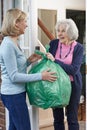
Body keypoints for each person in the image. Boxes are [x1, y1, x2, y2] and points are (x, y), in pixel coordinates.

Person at [0, 8, 57, 130]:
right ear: (16, 23)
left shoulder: (13, 42)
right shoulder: (8, 45)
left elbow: (14, 69)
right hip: (12, 95)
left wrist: (28, 61)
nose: (26, 25)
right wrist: (41, 76)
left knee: (15, 127)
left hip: (16, 94)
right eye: (24, 21)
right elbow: (14, 76)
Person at [46, 19, 83, 130]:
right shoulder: (53, 43)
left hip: (72, 85)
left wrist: (55, 61)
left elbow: (73, 70)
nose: (59, 34)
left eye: (63, 31)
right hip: (55, 84)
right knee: (57, 118)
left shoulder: (79, 48)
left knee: (72, 118)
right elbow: (49, 64)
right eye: (58, 30)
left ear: (70, 32)